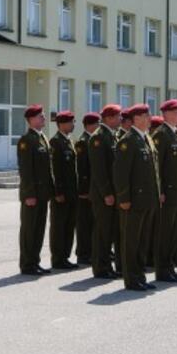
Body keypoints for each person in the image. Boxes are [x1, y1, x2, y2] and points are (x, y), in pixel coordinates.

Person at [113, 104, 160, 291]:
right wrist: (123, 198)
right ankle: (131, 278)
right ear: (137, 118)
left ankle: (140, 275)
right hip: (133, 200)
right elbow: (121, 173)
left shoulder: (146, 139)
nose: (149, 119)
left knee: (142, 241)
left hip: (147, 199)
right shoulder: (128, 141)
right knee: (131, 241)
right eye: (146, 116)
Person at [152, 99, 177, 282]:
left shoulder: (176, 134)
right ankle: (162, 270)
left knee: (174, 232)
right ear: (166, 114)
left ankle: (170, 267)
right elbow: (157, 167)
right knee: (165, 233)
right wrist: (160, 191)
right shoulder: (161, 135)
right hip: (167, 194)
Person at [17, 105, 55, 276]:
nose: (44, 119)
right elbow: (26, 170)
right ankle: (27, 263)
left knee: (39, 229)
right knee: (29, 230)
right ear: (30, 119)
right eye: (40, 116)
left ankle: (35, 261)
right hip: (32, 195)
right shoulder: (27, 140)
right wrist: (29, 194)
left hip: (43, 194)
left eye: (44, 116)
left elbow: (48, 170)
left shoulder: (42, 139)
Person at [89, 104, 123, 279]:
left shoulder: (112, 136)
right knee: (103, 232)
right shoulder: (99, 138)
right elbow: (99, 170)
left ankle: (110, 266)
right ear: (109, 118)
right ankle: (101, 267)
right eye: (118, 116)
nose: (121, 119)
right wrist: (107, 193)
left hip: (113, 193)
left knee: (111, 231)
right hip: (104, 195)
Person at [49, 111, 78, 269]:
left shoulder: (69, 141)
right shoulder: (55, 142)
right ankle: (58, 258)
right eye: (71, 122)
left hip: (71, 192)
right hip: (61, 194)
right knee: (59, 226)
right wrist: (58, 192)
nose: (73, 125)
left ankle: (65, 256)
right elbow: (55, 170)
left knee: (69, 225)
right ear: (62, 124)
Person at [74, 113, 100, 266]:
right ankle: (83, 254)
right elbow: (82, 169)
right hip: (85, 191)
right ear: (90, 125)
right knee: (84, 224)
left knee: (92, 222)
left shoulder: (92, 140)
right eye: (97, 124)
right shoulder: (83, 142)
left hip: (93, 189)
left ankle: (89, 252)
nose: (98, 126)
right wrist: (84, 190)